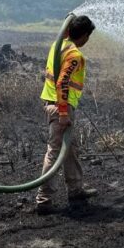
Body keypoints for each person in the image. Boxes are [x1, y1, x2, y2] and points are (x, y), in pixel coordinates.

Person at [36, 14, 97, 214]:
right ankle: (44, 200)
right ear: (85, 35)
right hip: (60, 107)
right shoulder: (74, 55)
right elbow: (62, 82)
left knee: (70, 149)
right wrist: (63, 113)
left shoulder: (58, 45)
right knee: (54, 153)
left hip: (55, 103)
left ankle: (76, 189)